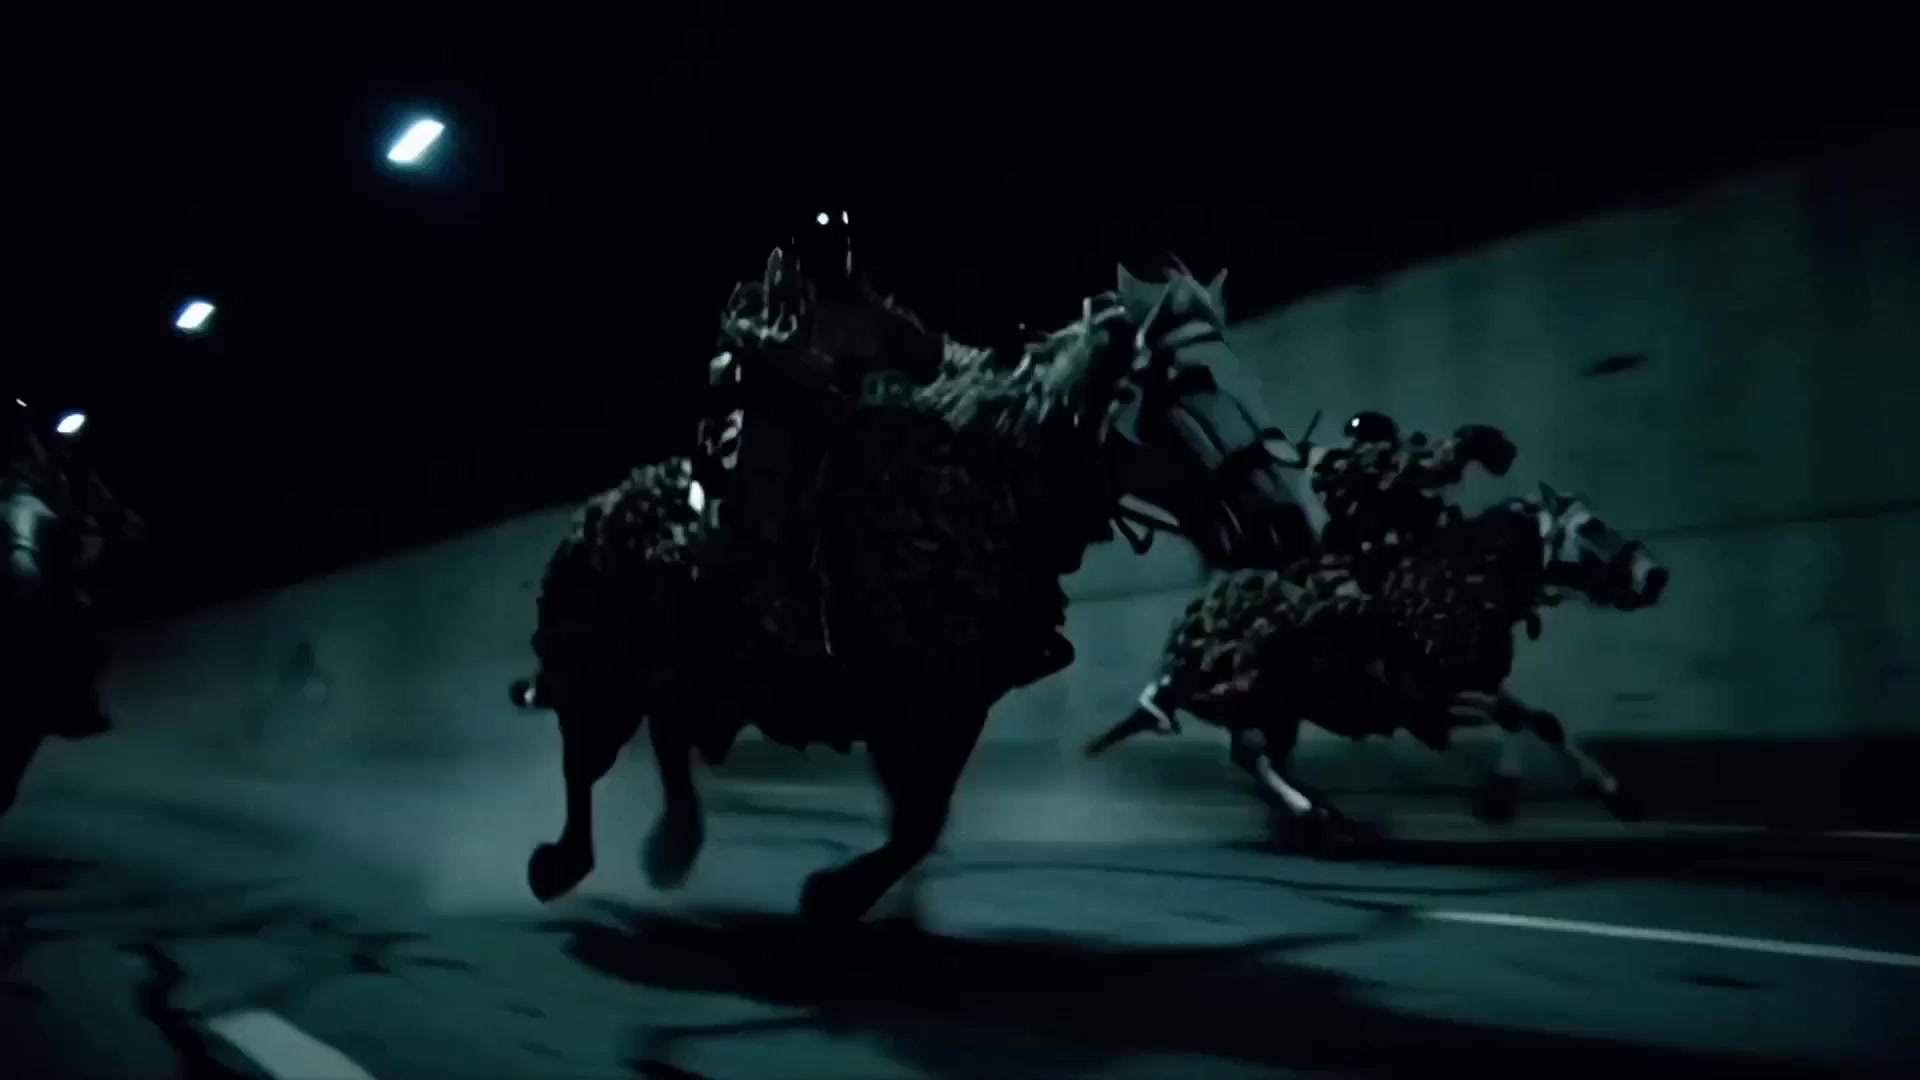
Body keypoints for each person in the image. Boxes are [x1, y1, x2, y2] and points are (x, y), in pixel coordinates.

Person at [1308, 410, 1517, 588]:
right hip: (1390, 555)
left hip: (1417, 547)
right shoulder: (1347, 475)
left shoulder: (1405, 461)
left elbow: (1434, 466)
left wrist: (1464, 446)